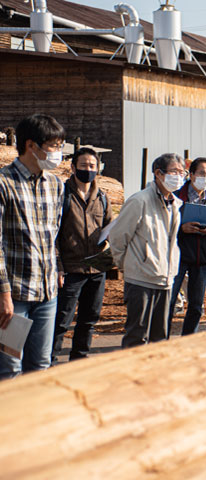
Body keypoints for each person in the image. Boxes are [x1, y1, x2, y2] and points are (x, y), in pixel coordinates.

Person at [0, 114, 65, 379]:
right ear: (31, 145)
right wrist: (3, 294)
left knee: (40, 367)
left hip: (47, 293)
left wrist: (58, 268)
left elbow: (54, 235)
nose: (58, 153)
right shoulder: (4, 183)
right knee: (10, 368)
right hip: (15, 296)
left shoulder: (55, 185)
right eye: (54, 146)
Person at [110, 153, 184, 347]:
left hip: (166, 279)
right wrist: (128, 266)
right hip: (141, 279)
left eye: (181, 172)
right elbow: (118, 237)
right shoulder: (140, 201)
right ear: (158, 174)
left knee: (160, 337)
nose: (178, 176)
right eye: (174, 171)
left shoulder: (175, 204)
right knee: (137, 335)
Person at [52, 147, 113, 363]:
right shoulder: (62, 195)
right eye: (84, 165)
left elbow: (108, 226)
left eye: (92, 166)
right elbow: (54, 235)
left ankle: (79, 359)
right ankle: (49, 360)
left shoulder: (102, 197)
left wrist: (108, 242)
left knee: (89, 319)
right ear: (73, 167)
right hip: (71, 268)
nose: (88, 169)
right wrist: (58, 265)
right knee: (61, 319)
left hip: (97, 268)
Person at [168, 157, 206, 335]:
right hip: (178, 257)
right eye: (202, 173)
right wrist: (181, 229)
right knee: (168, 302)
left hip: (202, 258)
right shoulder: (176, 198)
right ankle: (161, 339)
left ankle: (188, 339)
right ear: (191, 175)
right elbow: (164, 228)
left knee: (196, 305)